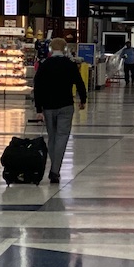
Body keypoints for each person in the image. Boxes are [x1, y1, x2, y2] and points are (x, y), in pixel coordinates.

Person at [32, 38, 87, 184]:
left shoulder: (44, 65)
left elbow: (37, 87)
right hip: (66, 105)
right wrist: (83, 99)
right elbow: (79, 82)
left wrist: (38, 108)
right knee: (62, 137)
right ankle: (55, 171)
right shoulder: (70, 64)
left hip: (48, 107)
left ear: (50, 49)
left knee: (52, 137)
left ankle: (54, 166)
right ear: (65, 49)